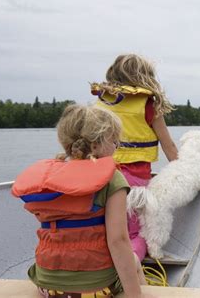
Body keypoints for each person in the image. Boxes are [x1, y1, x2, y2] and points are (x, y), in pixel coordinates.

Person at [12, 104, 152, 298]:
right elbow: (118, 241)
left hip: (49, 288)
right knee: (134, 262)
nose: (116, 146)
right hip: (96, 289)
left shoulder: (51, 181)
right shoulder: (113, 179)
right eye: (114, 141)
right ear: (97, 144)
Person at [90, 54, 178, 262]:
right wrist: (184, 171)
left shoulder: (100, 103)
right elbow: (169, 146)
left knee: (106, 228)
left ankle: (103, 266)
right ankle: (130, 268)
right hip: (135, 182)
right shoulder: (148, 105)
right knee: (136, 234)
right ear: (144, 77)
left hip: (102, 177)